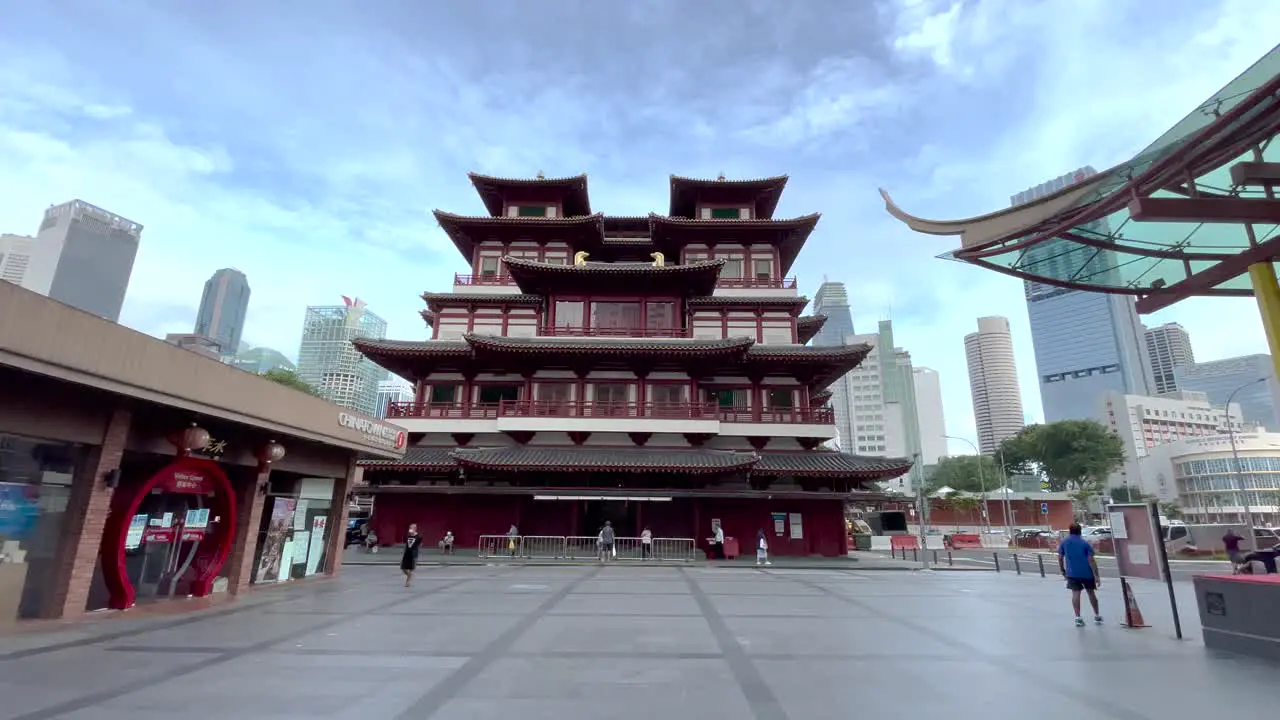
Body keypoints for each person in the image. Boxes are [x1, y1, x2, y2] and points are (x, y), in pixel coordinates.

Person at [1058, 523, 1102, 627]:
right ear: (1080, 531)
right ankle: (1097, 616)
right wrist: (1096, 575)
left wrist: (1062, 570)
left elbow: (1060, 557)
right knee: (1091, 593)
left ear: (1070, 531)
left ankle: (1078, 618)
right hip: (1087, 572)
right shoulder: (1084, 543)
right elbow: (1091, 560)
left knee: (1075, 594)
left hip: (1072, 573)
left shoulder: (1064, 542)